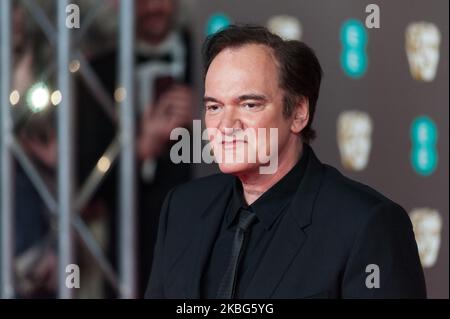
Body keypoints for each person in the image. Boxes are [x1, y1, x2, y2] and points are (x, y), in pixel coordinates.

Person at [145, 25, 426, 299]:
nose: (226, 125)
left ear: (299, 113)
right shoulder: (183, 209)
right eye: (214, 107)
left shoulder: (366, 225)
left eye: (249, 104)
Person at [76, 0, 193, 296]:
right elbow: (86, 184)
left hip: (205, 239)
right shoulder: (97, 73)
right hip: (130, 252)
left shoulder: (210, 57)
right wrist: (141, 148)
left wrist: (210, 114)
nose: (154, 6)